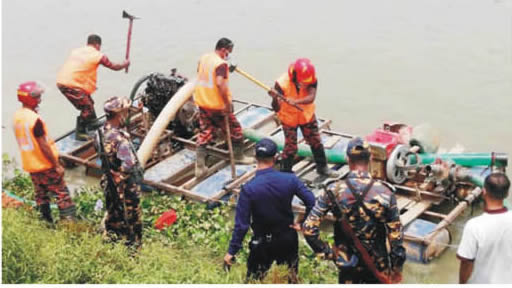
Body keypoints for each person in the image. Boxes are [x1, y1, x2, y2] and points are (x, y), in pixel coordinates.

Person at [302, 137, 406, 284]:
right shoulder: (385, 193)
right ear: (370, 158)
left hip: (347, 265)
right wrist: (396, 269)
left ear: (347, 159)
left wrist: (329, 253)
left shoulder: (334, 190)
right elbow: (396, 237)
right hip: (377, 267)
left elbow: (308, 228)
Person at [224, 138, 315, 283]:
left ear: (255, 157)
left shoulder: (249, 189)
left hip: (262, 243)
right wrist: (303, 223)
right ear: (275, 157)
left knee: (254, 280)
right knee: (290, 279)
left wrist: (231, 252)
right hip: (287, 239)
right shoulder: (290, 179)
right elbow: (311, 202)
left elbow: (242, 225)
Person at [13, 81, 76, 224]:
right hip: (45, 164)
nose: (39, 100)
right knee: (62, 195)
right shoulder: (35, 120)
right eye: (37, 97)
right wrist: (56, 165)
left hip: (31, 165)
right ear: (31, 98)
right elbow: (43, 145)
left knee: (41, 195)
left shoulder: (18, 116)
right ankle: (69, 225)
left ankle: (45, 222)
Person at [193, 37, 252, 179]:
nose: (229, 55)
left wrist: (225, 68)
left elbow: (204, 74)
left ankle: (199, 167)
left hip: (202, 102)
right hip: (216, 105)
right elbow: (220, 83)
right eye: (228, 52)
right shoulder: (220, 64)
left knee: (206, 131)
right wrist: (227, 103)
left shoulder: (205, 58)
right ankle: (239, 156)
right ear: (224, 49)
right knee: (236, 129)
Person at [268, 58, 337, 177]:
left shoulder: (312, 79)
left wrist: (296, 101)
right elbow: (275, 108)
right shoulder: (281, 84)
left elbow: (311, 97)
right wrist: (275, 98)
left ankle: (322, 168)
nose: (305, 84)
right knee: (290, 147)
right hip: (289, 118)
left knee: (315, 141)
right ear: (294, 76)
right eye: (302, 82)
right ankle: (285, 173)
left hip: (306, 115)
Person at [57, 34, 130, 140]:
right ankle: (80, 132)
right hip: (72, 85)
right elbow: (114, 66)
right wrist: (125, 64)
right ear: (97, 45)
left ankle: (93, 122)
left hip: (63, 81)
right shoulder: (98, 55)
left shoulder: (76, 51)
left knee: (89, 103)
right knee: (87, 107)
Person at [97, 96, 143, 251]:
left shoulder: (101, 133)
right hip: (125, 187)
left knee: (113, 216)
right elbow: (129, 164)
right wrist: (121, 176)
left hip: (109, 182)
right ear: (120, 114)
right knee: (132, 221)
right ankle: (133, 253)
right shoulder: (120, 140)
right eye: (127, 111)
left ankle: (110, 246)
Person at [457, 172, 512, 284]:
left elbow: (466, 263)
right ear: (507, 194)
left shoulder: (474, 226)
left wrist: (461, 284)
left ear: (484, 192)